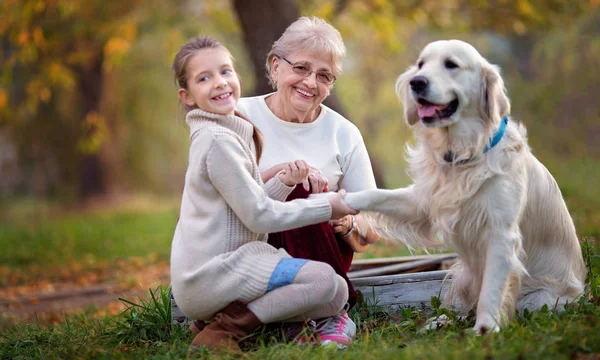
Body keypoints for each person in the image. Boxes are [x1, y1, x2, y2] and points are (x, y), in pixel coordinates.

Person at [169, 36, 359, 351]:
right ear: (186, 95)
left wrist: (285, 180)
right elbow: (258, 216)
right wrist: (327, 206)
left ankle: (225, 317)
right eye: (205, 78)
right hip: (216, 271)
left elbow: (246, 207)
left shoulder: (228, 130)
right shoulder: (217, 140)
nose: (219, 83)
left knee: (337, 292)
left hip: (234, 264)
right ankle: (227, 329)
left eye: (225, 71)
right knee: (323, 280)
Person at [236, 16, 381, 345]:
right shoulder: (240, 118)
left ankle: (321, 315)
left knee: (316, 196)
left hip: (320, 261)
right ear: (275, 67)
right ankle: (308, 316)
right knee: (296, 187)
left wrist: (346, 222)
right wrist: (282, 177)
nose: (311, 83)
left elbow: (371, 225)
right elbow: (212, 197)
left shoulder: (343, 133)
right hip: (249, 254)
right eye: (301, 68)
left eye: (324, 76)